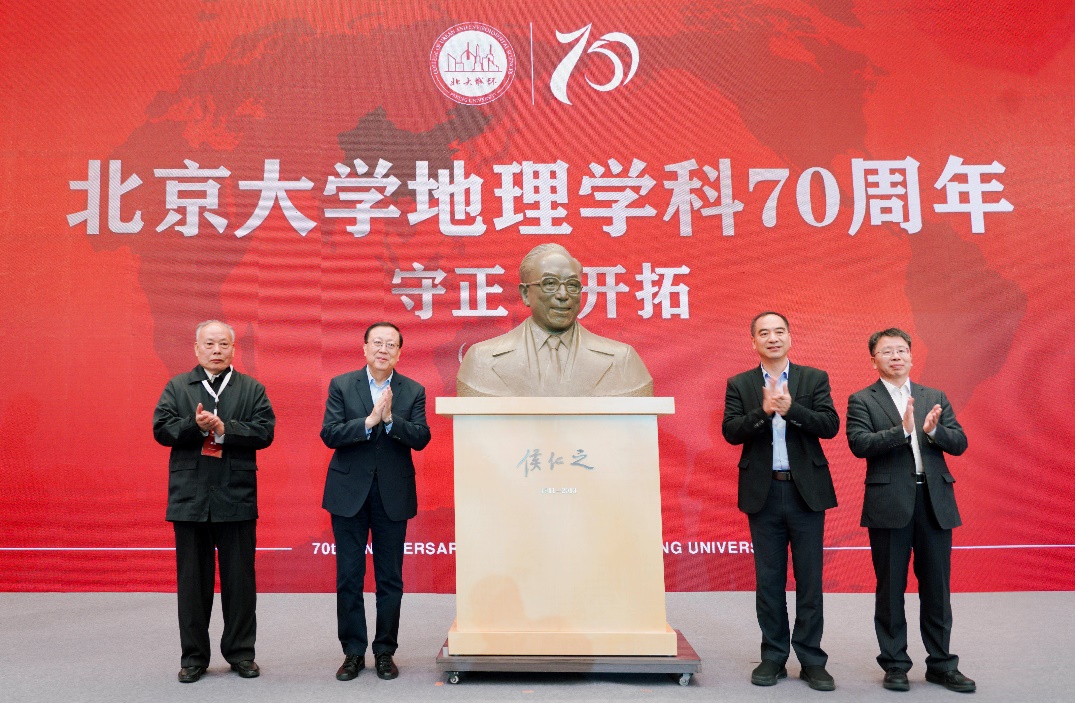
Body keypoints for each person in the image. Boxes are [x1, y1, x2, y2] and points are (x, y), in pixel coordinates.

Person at [846, 328, 975, 693]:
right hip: (889, 502)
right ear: (873, 360)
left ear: (911, 356)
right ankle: (895, 664)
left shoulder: (934, 396)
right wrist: (901, 431)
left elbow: (960, 442)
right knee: (891, 588)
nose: (896, 356)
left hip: (934, 501)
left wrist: (934, 432)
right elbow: (859, 444)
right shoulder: (862, 399)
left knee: (937, 587)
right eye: (887, 351)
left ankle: (942, 664)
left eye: (901, 350)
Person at [152, 320, 275, 684]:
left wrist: (225, 429)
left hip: (236, 495)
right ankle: (193, 657)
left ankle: (241, 654)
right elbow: (161, 429)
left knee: (240, 582)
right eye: (209, 344)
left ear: (233, 349)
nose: (217, 350)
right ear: (196, 348)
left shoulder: (251, 388)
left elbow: (265, 432)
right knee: (192, 583)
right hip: (190, 497)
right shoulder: (178, 386)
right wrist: (195, 425)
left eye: (223, 344)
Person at [722, 312, 839, 691]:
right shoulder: (740, 383)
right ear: (753, 341)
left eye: (779, 331)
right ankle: (773, 656)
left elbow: (830, 425)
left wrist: (791, 410)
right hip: (764, 492)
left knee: (810, 579)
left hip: (806, 492)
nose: (772, 338)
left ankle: (811, 659)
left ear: (789, 337)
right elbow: (731, 432)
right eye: (764, 333)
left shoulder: (813, 378)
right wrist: (764, 411)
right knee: (769, 580)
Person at [321, 322, 431, 681]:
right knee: (348, 577)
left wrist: (391, 420)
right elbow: (330, 433)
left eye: (391, 345)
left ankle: (385, 651)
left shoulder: (412, 390)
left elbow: (421, 437)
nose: (383, 350)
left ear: (399, 352)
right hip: (348, 494)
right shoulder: (341, 385)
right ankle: (353, 652)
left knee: (390, 579)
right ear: (365, 348)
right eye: (377, 343)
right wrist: (369, 421)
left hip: (392, 495)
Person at [456, 243, 652, 397]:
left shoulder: (622, 361)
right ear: (525, 294)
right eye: (550, 283)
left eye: (572, 285)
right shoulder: (481, 360)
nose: (563, 295)